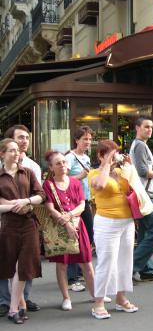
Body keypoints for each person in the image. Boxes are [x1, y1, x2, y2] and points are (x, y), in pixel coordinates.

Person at [88, 140, 137, 319]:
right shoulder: (94, 173)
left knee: (125, 261)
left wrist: (130, 167)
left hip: (127, 221)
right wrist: (107, 164)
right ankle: (99, 303)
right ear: (100, 156)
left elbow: (135, 188)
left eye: (115, 152)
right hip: (106, 222)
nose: (115, 156)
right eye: (110, 153)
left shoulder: (120, 172)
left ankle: (121, 298)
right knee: (106, 262)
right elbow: (100, 185)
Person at [0, 138, 45, 324]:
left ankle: (13, 309)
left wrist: (26, 202)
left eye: (17, 150)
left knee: (23, 266)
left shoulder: (27, 172)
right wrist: (13, 206)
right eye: (11, 150)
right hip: (8, 225)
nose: (16, 153)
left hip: (28, 224)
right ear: (2, 154)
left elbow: (41, 195)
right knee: (11, 266)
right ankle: (19, 305)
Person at [43, 151, 95, 311]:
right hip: (60, 228)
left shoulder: (74, 182)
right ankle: (66, 297)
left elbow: (82, 204)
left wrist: (70, 215)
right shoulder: (48, 185)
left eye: (64, 162)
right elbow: (50, 208)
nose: (63, 165)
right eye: (58, 163)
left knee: (86, 262)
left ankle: (95, 294)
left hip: (78, 225)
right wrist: (66, 223)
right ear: (51, 167)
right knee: (62, 264)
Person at [129, 117, 153, 282]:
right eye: (146, 127)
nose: (149, 129)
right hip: (147, 193)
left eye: (151, 127)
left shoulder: (138, 145)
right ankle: (130, 269)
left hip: (145, 192)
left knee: (145, 233)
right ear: (137, 128)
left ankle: (147, 270)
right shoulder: (140, 146)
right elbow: (143, 171)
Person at [65, 126, 94, 293]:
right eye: (85, 139)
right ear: (77, 140)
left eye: (89, 139)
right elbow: (63, 179)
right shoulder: (69, 157)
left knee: (88, 235)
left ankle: (78, 271)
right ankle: (72, 277)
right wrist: (80, 177)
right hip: (73, 203)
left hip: (85, 201)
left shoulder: (86, 157)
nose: (88, 142)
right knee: (74, 238)